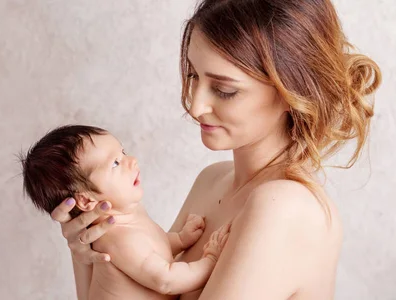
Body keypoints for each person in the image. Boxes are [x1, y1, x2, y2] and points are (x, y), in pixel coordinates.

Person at [48, 0, 382, 299]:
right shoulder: (212, 180)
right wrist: (89, 250)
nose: (195, 106)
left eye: (223, 89)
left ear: (289, 90)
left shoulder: (285, 207)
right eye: (193, 75)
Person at [20, 124, 232, 299]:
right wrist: (211, 260)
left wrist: (180, 239)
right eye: (115, 163)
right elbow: (166, 280)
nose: (132, 160)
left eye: (123, 152)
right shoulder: (116, 238)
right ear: (86, 200)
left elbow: (153, 250)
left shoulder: (129, 218)